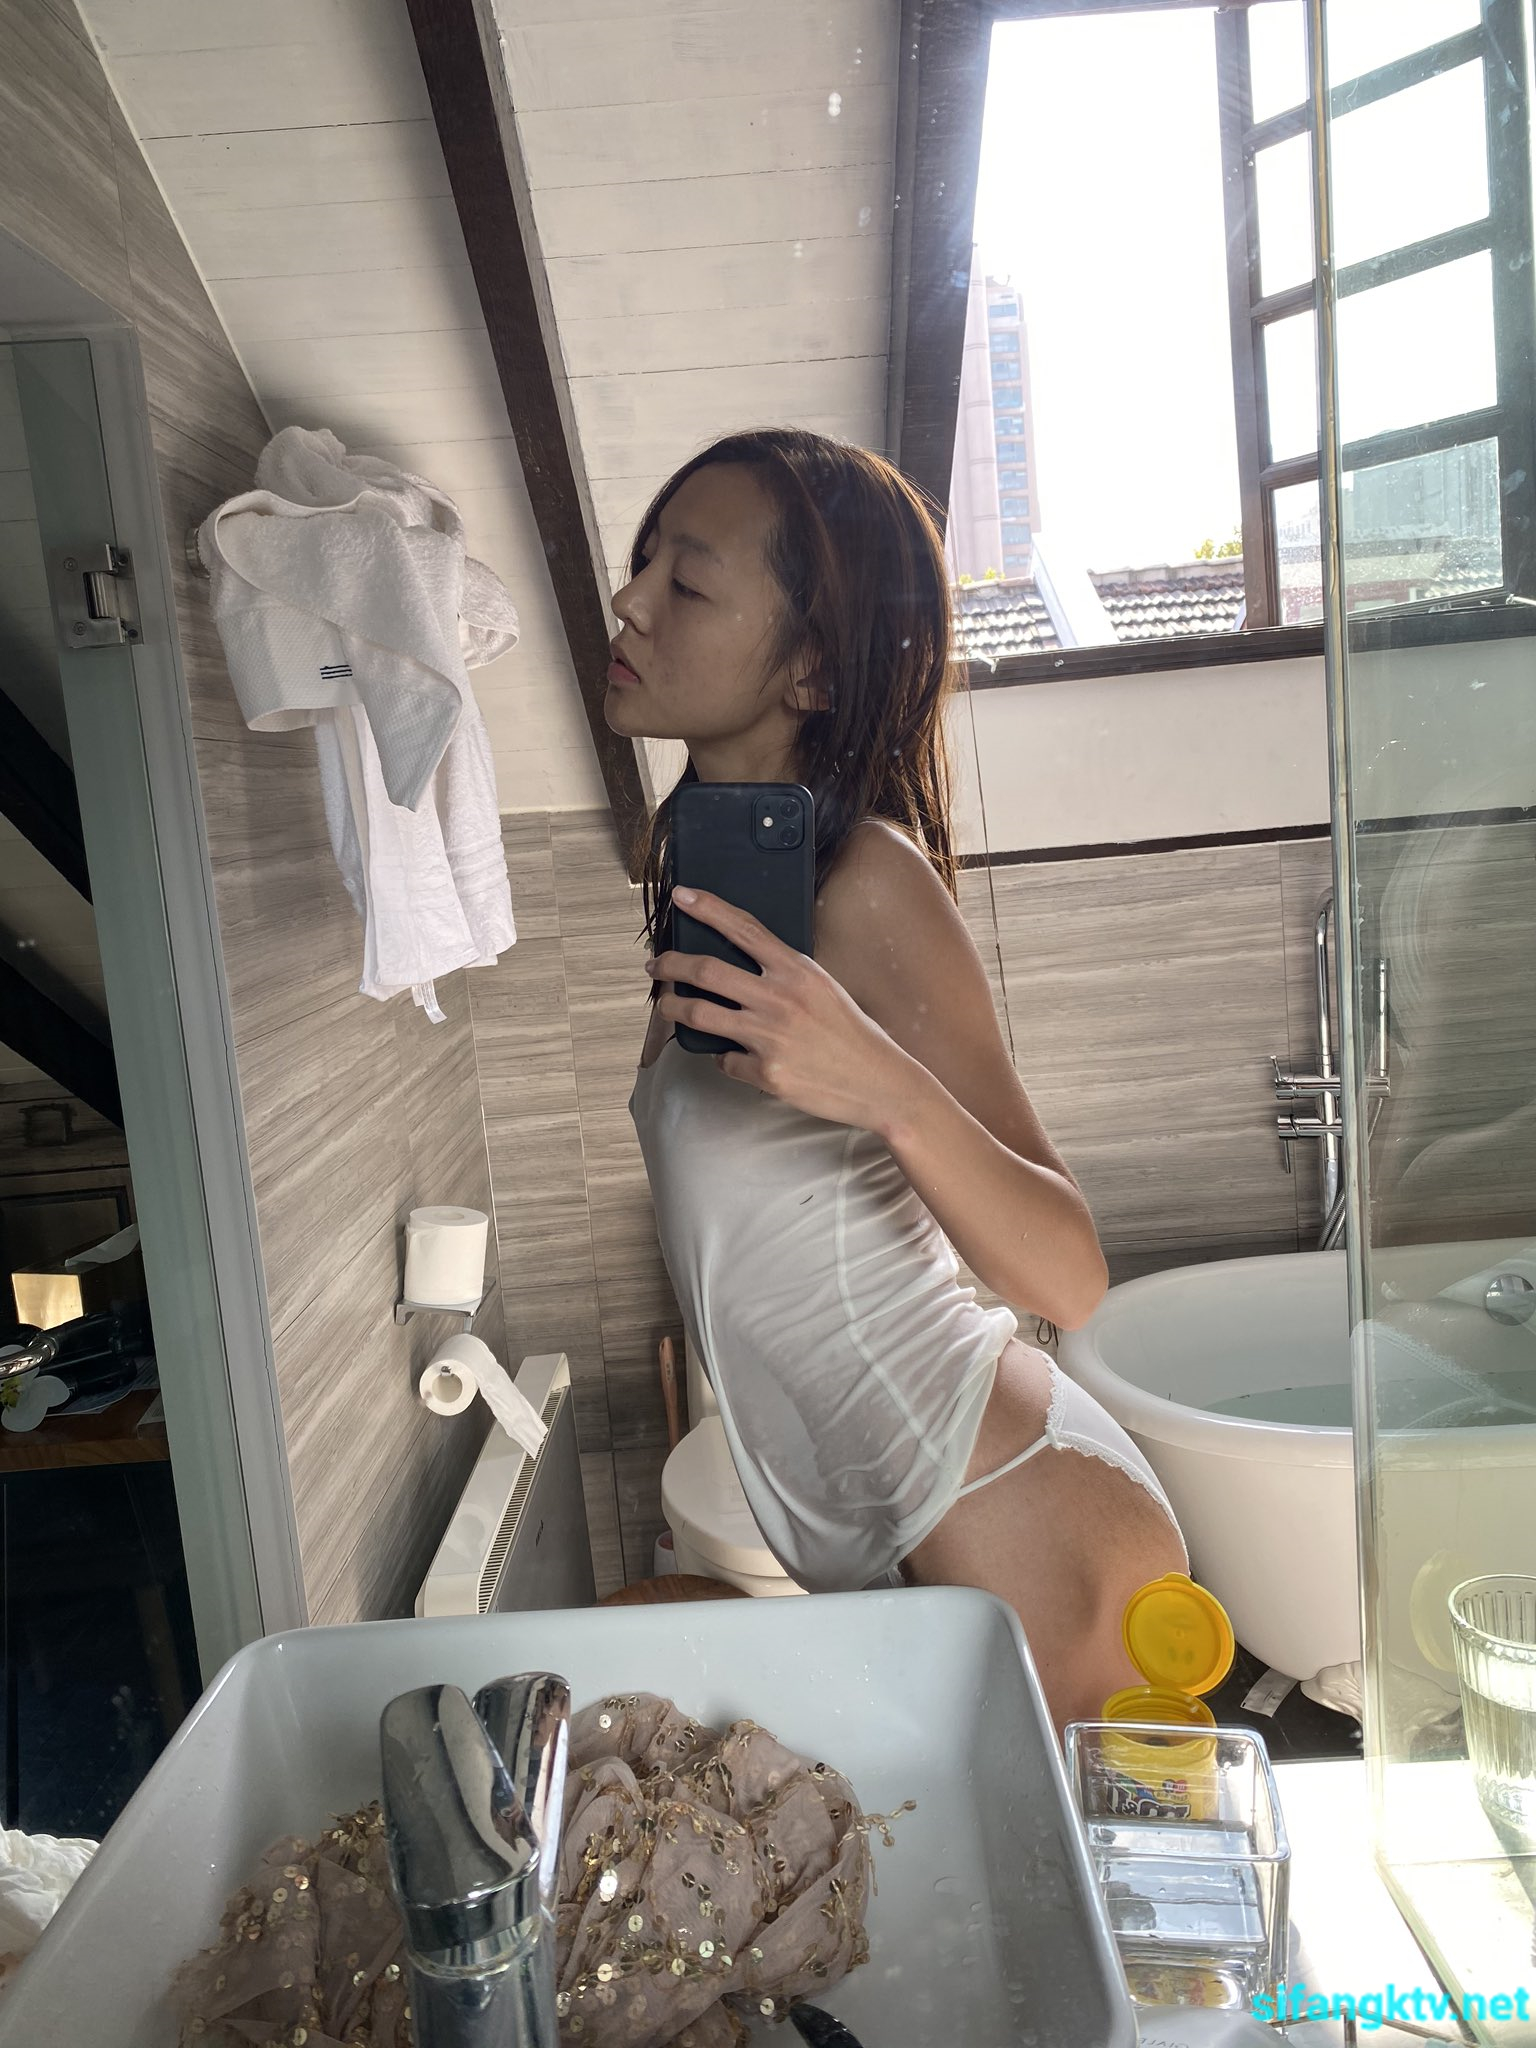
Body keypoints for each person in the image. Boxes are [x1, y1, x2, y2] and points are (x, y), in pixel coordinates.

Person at [610, 427, 1186, 1733]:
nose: (630, 601)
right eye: (643, 562)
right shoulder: (719, 883)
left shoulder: (867, 881)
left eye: (685, 580)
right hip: (903, 1530)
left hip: (1012, 1517)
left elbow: (1068, 1276)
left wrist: (880, 1084)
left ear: (811, 666)